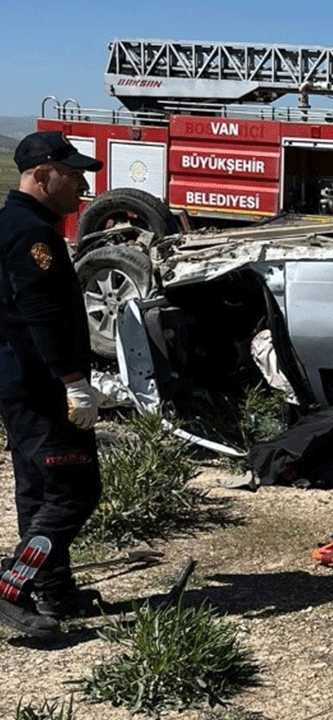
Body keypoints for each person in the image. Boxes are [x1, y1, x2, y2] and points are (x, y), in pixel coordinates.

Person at [0, 132, 106, 637]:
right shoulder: (30, 234)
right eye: (73, 174)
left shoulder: (20, 223)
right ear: (42, 176)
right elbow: (40, 315)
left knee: (39, 491)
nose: (83, 185)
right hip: (42, 387)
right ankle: (11, 589)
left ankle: (54, 590)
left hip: (21, 383)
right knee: (73, 490)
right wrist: (74, 383)